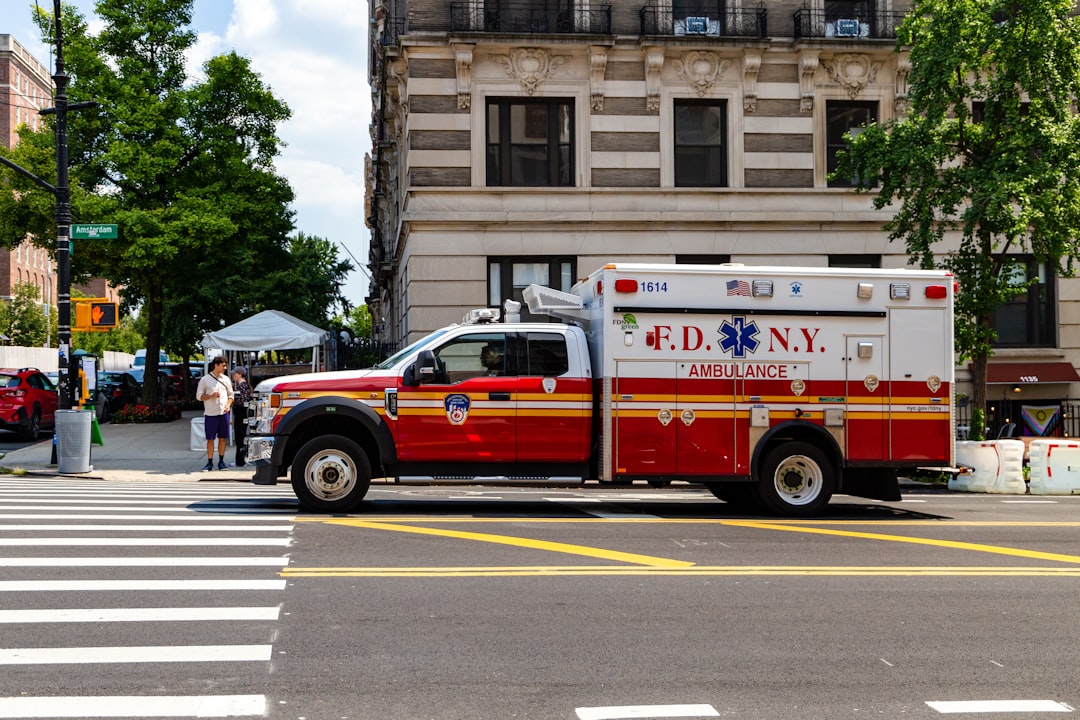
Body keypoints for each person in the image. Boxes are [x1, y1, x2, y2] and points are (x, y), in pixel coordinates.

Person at [196, 356, 233, 472]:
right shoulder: (205, 380)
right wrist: (210, 396)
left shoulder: (226, 379)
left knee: (222, 438)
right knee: (210, 439)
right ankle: (209, 462)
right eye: (223, 365)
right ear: (216, 365)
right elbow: (199, 397)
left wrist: (228, 405)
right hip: (211, 414)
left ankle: (221, 461)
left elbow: (231, 395)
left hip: (223, 413)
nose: (225, 368)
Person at [230, 366, 252, 467]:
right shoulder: (242, 385)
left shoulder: (242, 386)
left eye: (235, 374)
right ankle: (240, 459)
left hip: (241, 414)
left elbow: (244, 401)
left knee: (240, 437)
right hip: (241, 414)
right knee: (240, 437)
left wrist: (234, 401)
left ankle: (240, 461)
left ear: (239, 374)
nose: (233, 376)